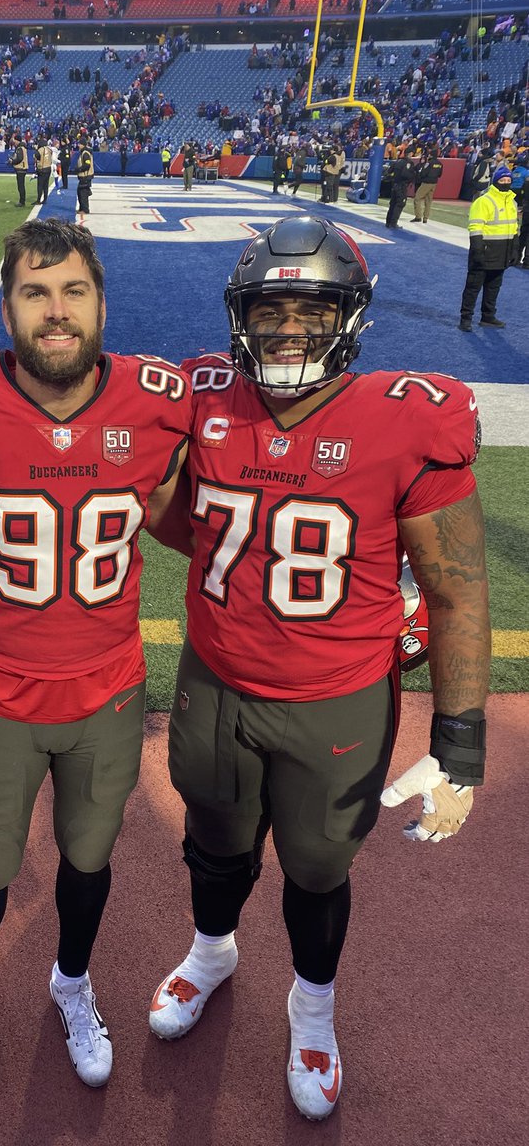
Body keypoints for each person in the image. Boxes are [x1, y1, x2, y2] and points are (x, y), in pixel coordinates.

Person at [149, 215, 489, 1122]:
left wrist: (461, 746)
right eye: (271, 309)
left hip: (336, 703)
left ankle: (312, 1008)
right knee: (214, 844)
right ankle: (212, 953)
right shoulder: (205, 397)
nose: (289, 327)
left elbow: (455, 590)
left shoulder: (407, 419)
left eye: (312, 307)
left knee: (315, 869)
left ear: (350, 316)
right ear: (240, 318)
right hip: (216, 683)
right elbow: (168, 512)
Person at [0, 219, 191, 1108]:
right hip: (0, 691)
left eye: (72, 291)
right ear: (10, 306)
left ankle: (71, 981)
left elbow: (199, 523)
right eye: (34, 292)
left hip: (108, 692)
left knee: (88, 860)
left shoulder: (157, 401)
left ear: (102, 301)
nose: (55, 312)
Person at [459, 164, 519, 330]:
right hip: (485, 252)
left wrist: (514, 249)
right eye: (502, 179)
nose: (506, 182)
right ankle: (466, 319)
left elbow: (514, 227)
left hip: (502, 253)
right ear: (495, 181)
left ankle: (488, 316)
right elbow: (475, 227)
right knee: (473, 287)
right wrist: (478, 249)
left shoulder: (512, 203)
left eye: (508, 180)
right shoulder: (484, 201)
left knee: (493, 288)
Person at [385, 148, 418, 228]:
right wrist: (413, 175)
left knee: (393, 204)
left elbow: (389, 172)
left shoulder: (398, 161)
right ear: (409, 154)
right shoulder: (408, 163)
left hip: (395, 185)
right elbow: (405, 174)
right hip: (402, 185)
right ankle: (393, 223)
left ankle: (388, 222)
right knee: (400, 203)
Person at [411, 146, 443, 223]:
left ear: (431, 155)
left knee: (417, 198)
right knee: (428, 201)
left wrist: (421, 176)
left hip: (426, 183)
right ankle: (425, 218)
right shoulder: (440, 164)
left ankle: (418, 216)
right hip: (434, 183)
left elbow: (424, 172)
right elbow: (440, 174)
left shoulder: (429, 163)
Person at [10, 132, 28, 206]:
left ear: (17, 140)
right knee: (21, 185)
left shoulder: (20, 148)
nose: (14, 142)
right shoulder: (22, 148)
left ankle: (22, 201)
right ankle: (22, 200)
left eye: (15, 141)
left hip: (21, 168)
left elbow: (19, 158)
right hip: (22, 168)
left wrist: (13, 161)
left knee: (21, 186)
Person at [76, 139, 94, 215]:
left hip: (85, 176)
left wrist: (79, 169)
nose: (78, 145)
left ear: (82, 145)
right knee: (80, 192)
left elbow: (87, 165)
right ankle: (82, 208)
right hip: (84, 176)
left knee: (83, 193)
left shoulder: (85, 153)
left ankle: (85, 209)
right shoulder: (83, 152)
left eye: (79, 144)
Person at [35, 136, 53, 205]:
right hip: (48, 168)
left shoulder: (40, 150)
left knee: (40, 185)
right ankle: (45, 200)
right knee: (46, 185)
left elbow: (36, 157)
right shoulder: (49, 149)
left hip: (42, 169)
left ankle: (38, 200)